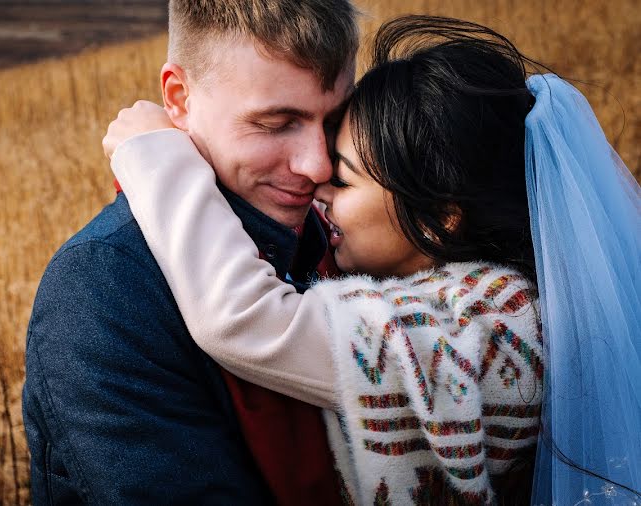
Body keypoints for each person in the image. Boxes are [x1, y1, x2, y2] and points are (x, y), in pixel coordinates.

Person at [104, 16, 641, 505]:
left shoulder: (494, 327)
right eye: (280, 123)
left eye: (344, 177)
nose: (318, 181)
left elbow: (247, 318)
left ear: (439, 218)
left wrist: (157, 156)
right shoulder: (495, 296)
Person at [22, 0, 360, 503]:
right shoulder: (103, 290)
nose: (316, 166)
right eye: (275, 123)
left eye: (334, 122)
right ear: (178, 98)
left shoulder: (339, 235)